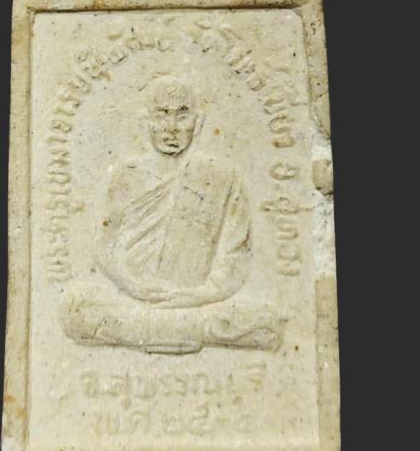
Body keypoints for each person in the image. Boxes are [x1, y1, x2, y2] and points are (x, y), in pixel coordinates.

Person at [60, 75, 283, 353]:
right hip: (132, 300)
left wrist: (199, 295)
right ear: (146, 121)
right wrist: (132, 286)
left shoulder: (222, 177)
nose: (172, 127)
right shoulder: (125, 176)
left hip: (197, 303)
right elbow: (104, 247)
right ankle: (198, 330)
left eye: (182, 115)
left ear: (198, 122)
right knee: (76, 303)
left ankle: (156, 329)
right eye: (161, 115)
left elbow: (236, 257)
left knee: (264, 316)